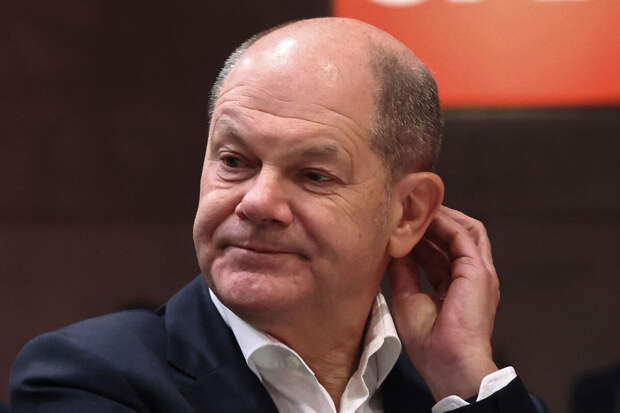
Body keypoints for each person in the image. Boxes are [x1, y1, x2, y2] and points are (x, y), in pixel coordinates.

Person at [10, 18, 543, 412]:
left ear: (407, 213)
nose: (257, 202)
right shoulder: (90, 378)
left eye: (313, 175)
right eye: (234, 162)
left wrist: (463, 378)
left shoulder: (452, 396)